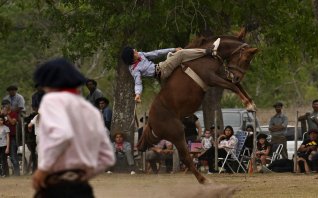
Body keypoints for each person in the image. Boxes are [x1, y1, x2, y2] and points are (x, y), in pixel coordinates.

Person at [32, 58, 115, 197]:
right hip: (83, 189)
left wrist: (43, 169)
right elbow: (107, 157)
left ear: (48, 84)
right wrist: (81, 175)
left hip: (56, 187)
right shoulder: (91, 111)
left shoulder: (52, 100)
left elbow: (63, 134)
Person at [121, 38, 220, 102]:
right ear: (131, 58)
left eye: (134, 50)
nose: (135, 51)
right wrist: (138, 94)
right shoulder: (134, 70)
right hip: (162, 71)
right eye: (133, 52)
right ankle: (209, 51)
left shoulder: (141, 55)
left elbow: (156, 53)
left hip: (162, 65)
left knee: (174, 54)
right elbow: (138, 83)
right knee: (181, 54)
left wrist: (173, 49)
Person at [0, 99, 20, 176]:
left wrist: (7, 115)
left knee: (13, 156)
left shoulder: (13, 113)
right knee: (3, 158)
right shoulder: (2, 114)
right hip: (2, 138)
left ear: (9, 105)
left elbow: (12, 122)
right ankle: (6, 173)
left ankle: (17, 174)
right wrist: (1, 114)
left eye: (6, 105)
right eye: (3, 105)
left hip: (11, 137)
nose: (4, 106)